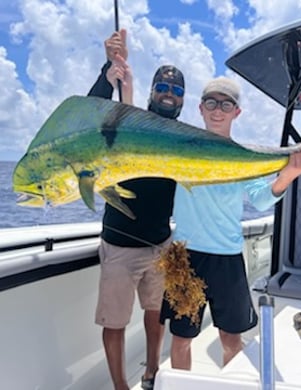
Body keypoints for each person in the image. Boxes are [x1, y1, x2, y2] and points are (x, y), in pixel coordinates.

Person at [160, 76, 301, 370]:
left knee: (231, 339)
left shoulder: (245, 156)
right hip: (184, 256)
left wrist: (290, 174)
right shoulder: (179, 148)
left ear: (236, 112)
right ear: (201, 109)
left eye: (226, 104)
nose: (218, 110)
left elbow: (260, 199)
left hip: (227, 258)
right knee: (181, 339)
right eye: (211, 103)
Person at [88, 29, 185, 390]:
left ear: (182, 101)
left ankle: (151, 372)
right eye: (163, 87)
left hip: (160, 244)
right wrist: (108, 72)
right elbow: (94, 117)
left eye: (176, 91)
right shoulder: (129, 122)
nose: (168, 94)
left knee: (155, 313)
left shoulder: (184, 138)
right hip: (119, 244)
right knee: (114, 323)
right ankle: (120, 387)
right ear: (152, 91)